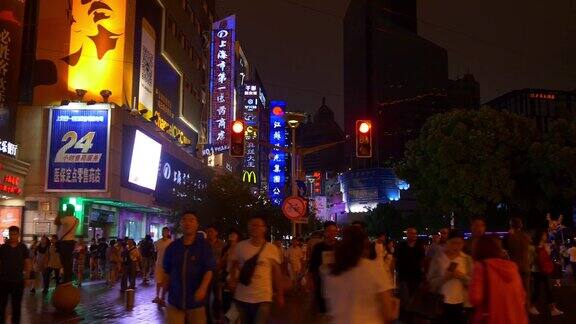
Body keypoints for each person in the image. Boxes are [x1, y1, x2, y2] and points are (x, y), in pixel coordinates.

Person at [324, 226, 399, 324]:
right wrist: (395, 307)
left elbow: (331, 307)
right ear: (364, 246)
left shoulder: (331, 272)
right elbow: (388, 314)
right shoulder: (375, 269)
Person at [228, 216, 284, 324]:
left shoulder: (271, 249)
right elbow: (233, 264)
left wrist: (280, 295)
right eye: (252, 225)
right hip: (242, 296)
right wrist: (232, 278)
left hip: (263, 298)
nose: (255, 228)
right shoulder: (240, 246)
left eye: (258, 225)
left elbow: (277, 273)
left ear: (264, 229)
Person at [164, 211, 215, 324]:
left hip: (196, 302)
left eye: (191, 220)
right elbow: (167, 272)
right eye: (184, 220)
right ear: (180, 224)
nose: (187, 222)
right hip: (175, 301)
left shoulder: (204, 247)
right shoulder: (173, 247)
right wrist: (163, 294)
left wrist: (203, 288)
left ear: (197, 225)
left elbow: (209, 269)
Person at [468, 235, 528, 324]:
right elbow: (522, 295)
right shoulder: (512, 267)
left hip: (494, 319)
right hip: (516, 318)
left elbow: (475, 298)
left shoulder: (481, 267)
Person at [427, 229, 472, 324]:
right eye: (453, 243)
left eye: (460, 243)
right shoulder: (439, 258)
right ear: (448, 242)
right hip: (442, 303)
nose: (457, 246)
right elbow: (431, 281)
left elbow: (473, 282)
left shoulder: (466, 259)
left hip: (461, 303)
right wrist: (445, 278)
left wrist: (462, 276)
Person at [0, 226, 32, 324]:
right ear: (9, 235)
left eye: (15, 234)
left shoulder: (23, 247)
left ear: (18, 234)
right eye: (11, 234)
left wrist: (27, 277)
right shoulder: (3, 247)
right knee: (1, 305)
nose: (13, 236)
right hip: (3, 281)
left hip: (18, 281)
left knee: (16, 306)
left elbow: (27, 262)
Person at [307, 221, 339, 315]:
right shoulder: (318, 247)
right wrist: (310, 280)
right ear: (325, 232)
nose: (332, 233)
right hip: (322, 283)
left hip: (337, 283)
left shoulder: (340, 246)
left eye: (334, 231)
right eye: (329, 231)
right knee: (323, 310)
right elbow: (312, 265)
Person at [530, 230, 563, 316]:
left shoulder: (544, 245)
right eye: (544, 235)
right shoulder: (533, 247)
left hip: (542, 270)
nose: (546, 236)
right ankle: (532, 306)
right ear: (540, 236)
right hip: (538, 271)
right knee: (540, 290)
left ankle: (551, 308)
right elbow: (532, 259)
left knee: (547, 290)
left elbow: (547, 257)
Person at [502, 217, 532, 309]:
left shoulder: (508, 237)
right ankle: (525, 312)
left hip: (513, 268)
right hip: (526, 267)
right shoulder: (526, 236)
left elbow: (504, 252)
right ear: (521, 225)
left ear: (510, 225)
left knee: (513, 293)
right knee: (526, 292)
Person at [395, 227, 425, 306]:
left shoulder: (419, 247)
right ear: (407, 234)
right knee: (405, 299)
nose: (414, 235)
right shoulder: (401, 246)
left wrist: (423, 275)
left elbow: (423, 261)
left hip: (416, 276)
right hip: (404, 276)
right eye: (412, 233)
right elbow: (395, 260)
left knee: (414, 298)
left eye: (415, 233)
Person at [54, 204, 78, 284]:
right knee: (68, 261)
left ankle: (65, 279)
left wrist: (59, 214)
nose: (66, 210)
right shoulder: (76, 220)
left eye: (67, 209)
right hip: (71, 242)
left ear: (69, 210)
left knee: (64, 261)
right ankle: (67, 278)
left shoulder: (66, 219)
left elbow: (56, 222)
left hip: (65, 242)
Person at [205, 225, 224, 322]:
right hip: (205, 274)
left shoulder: (221, 244)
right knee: (206, 298)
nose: (209, 233)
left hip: (217, 274)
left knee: (217, 298)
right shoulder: (203, 244)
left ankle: (217, 317)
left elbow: (224, 258)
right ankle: (208, 318)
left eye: (211, 231)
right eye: (208, 231)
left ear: (216, 232)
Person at [221, 229, 241, 316]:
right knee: (227, 299)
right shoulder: (227, 249)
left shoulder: (241, 248)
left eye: (234, 234)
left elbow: (238, 264)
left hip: (238, 277)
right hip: (228, 275)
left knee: (237, 299)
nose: (232, 236)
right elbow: (222, 262)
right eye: (230, 235)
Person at [152, 227, 171, 306]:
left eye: (166, 232)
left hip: (167, 265)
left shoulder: (171, 242)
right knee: (158, 281)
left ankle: (163, 298)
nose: (164, 233)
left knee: (165, 282)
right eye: (163, 231)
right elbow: (155, 253)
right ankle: (157, 296)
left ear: (168, 233)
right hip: (159, 264)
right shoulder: (158, 242)